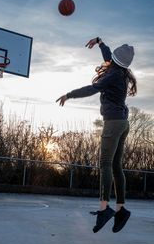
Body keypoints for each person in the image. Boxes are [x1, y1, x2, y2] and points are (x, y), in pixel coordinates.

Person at [56, 37, 137, 233]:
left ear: (116, 61)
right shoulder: (121, 73)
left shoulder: (113, 77)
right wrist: (100, 43)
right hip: (123, 123)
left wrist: (69, 94)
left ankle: (104, 208)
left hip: (113, 124)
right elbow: (109, 57)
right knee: (116, 166)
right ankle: (121, 209)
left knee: (105, 164)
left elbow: (91, 89)